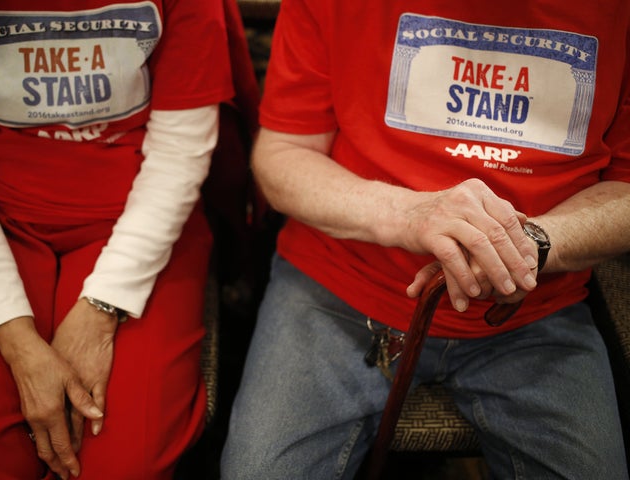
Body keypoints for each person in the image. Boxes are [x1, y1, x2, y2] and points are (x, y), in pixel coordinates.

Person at [221, 0, 630, 479]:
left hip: (535, 312)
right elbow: (283, 154)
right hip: (341, 288)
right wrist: (411, 214)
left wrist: (530, 245)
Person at [0, 0, 241, 479]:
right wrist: (16, 339)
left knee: (124, 464)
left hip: (140, 210)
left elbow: (180, 150)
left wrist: (102, 310)